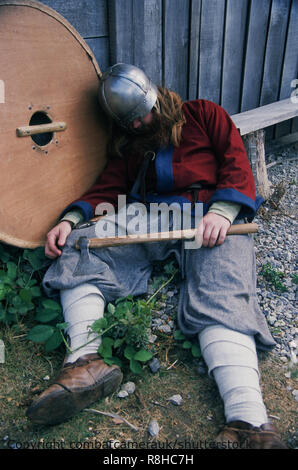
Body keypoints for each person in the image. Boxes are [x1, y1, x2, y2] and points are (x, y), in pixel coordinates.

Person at [26, 64, 287, 449]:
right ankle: (84, 364)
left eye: (140, 116)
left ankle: (249, 421)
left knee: (222, 287)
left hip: (208, 214)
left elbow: (236, 161)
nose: (136, 127)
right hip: (150, 216)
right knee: (84, 244)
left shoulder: (204, 114)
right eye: (127, 123)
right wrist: (72, 219)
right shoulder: (132, 140)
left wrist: (223, 212)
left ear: (155, 98)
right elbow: (109, 186)